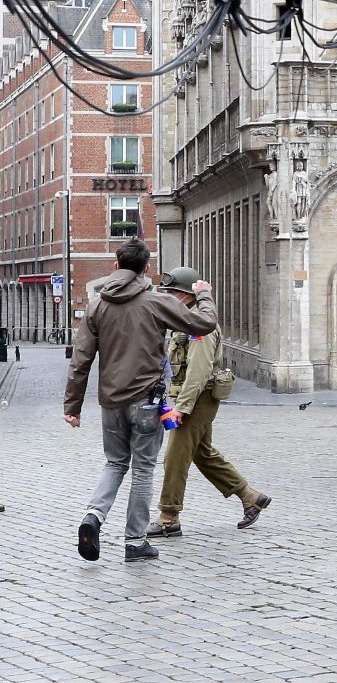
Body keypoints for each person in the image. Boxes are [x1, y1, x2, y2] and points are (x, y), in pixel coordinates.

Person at [63, 239, 216, 563]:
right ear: (146, 268)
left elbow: (81, 360)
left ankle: (94, 515)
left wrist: (72, 407)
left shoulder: (97, 306)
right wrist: (202, 293)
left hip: (111, 403)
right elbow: (204, 324)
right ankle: (134, 542)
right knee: (143, 470)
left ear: (116, 266)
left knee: (115, 463)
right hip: (147, 401)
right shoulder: (156, 301)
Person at [148, 266, 271, 538]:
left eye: (172, 293)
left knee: (176, 458)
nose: (168, 298)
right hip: (187, 398)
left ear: (186, 296)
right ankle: (251, 497)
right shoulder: (184, 319)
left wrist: (182, 407)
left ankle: (169, 516)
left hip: (196, 399)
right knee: (203, 454)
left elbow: (199, 371)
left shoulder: (199, 325)